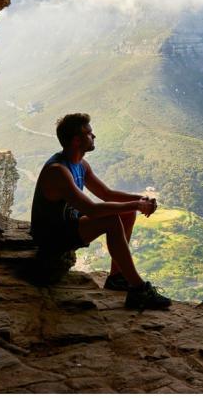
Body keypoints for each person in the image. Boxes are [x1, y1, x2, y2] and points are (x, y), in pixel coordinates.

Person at [30, 112, 171, 310]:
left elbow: (106, 193)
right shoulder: (58, 171)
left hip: (67, 224)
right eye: (89, 133)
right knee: (111, 220)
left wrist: (140, 200)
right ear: (77, 140)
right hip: (52, 236)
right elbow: (92, 210)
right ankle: (138, 290)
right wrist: (137, 205)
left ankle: (117, 278)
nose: (93, 136)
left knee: (126, 213)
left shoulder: (80, 164)